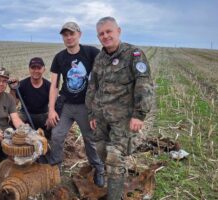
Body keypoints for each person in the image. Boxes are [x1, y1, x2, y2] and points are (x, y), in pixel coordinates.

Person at [85, 16, 154, 199]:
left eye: (109, 31)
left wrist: (139, 114)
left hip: (122, 119)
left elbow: (144, 84)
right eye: (101, 33)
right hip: (101, 117)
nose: (105, 36)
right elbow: (93, 87)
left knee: (115, 158)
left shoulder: (134, 54)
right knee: (101, 151)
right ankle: (114, 178)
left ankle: (114, 196)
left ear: (119, 31)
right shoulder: (99, 58)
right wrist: (91, 113)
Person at [47, 21, 105, 187]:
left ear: (79, 34)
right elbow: (53, 86)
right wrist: (51, 110)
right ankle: (55, 167)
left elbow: (103, 76)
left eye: (71, 33)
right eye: (65, 35)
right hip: (65, 105)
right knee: (57, 135)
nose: (69, 37)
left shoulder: (91, 52)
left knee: (90, 139)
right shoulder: (59, 58)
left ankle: (98, 168)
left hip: (85, 106)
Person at [9, 57, 51, 139]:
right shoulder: (21, 84)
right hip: (25, 114)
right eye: (33, 68)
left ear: (44, 69)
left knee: (54, 122)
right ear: (29, 69)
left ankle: (47, 140)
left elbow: (55, 104)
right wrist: (12, 89)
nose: (36, 71)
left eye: (38, 68)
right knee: (12, 120)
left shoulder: (49, 86)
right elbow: (14, 104)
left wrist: (50, 116)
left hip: (43, 115)